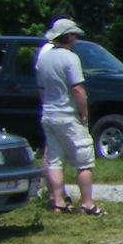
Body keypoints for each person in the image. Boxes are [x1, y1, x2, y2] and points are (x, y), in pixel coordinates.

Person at [37, 18, 101, 216]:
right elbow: (77, 89)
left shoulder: (44, 59)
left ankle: (58, 201)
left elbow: (41, 89)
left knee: (55, 160)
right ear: (70, 36)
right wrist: (84, 113)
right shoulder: (71, 58)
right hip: (68, 114)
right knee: (84, 160)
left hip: (49, 113)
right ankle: (88, 203)